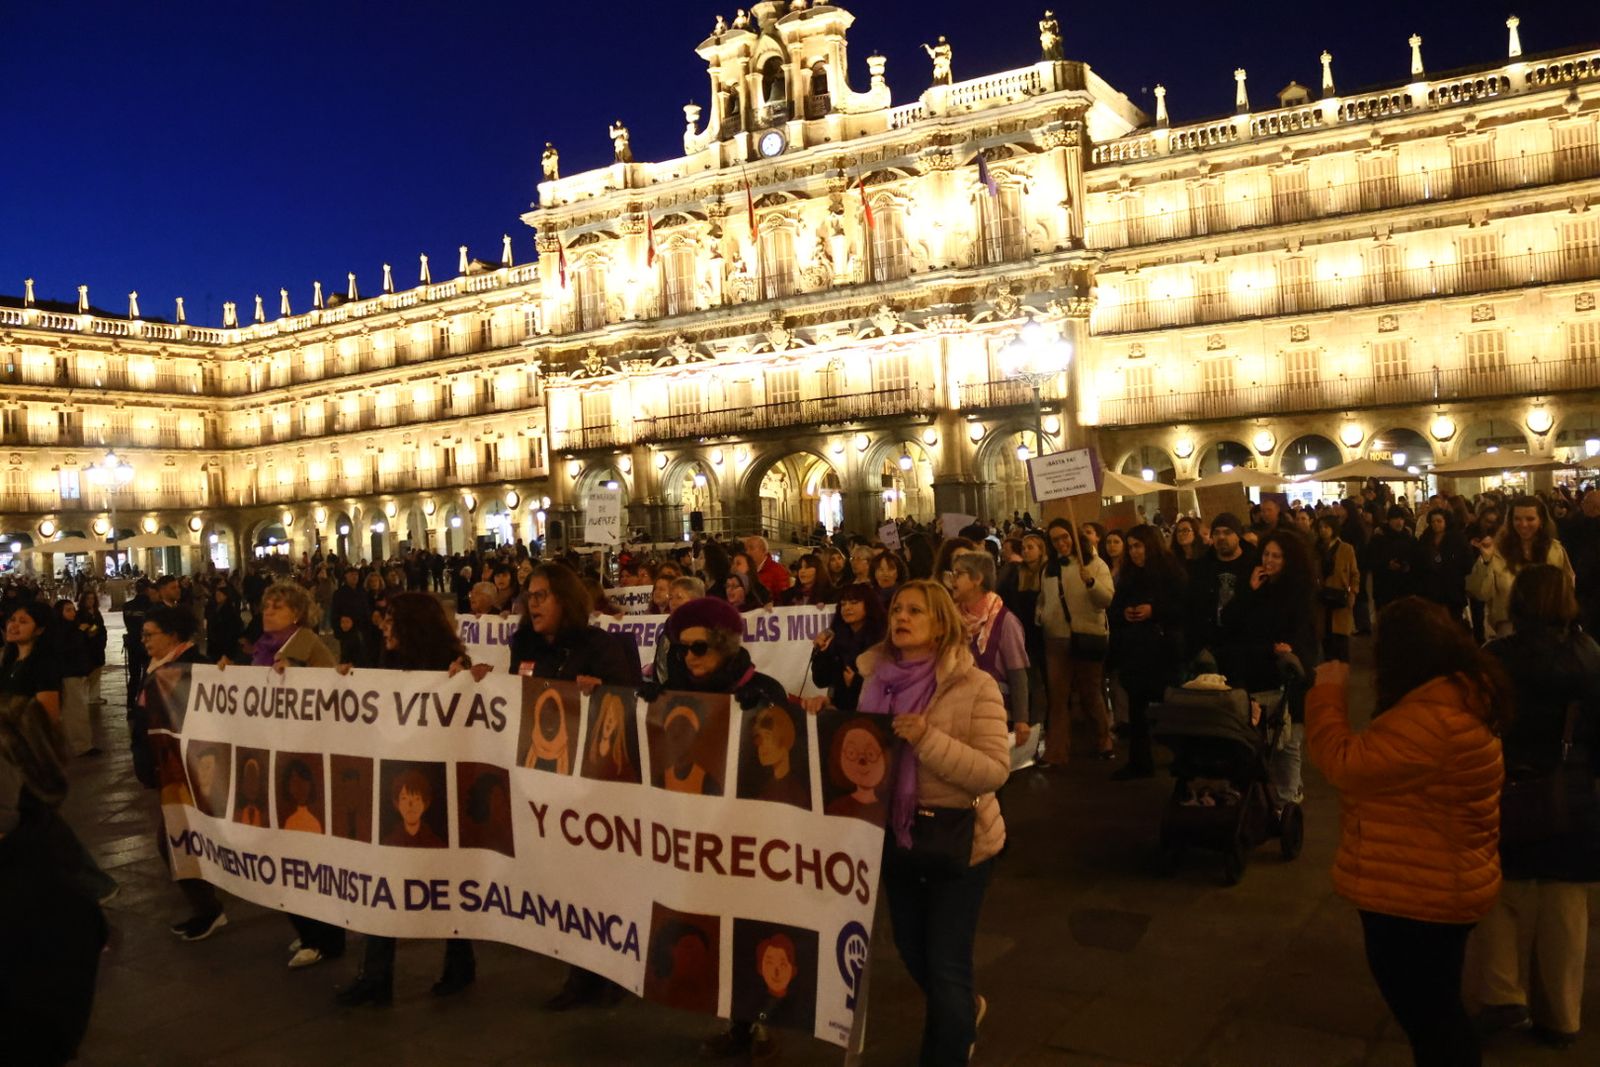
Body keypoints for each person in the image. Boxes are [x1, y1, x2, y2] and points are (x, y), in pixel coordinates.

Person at [1305, 597, 1508, 1067]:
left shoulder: (1432, 719)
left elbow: (1345, 764)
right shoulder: (1453, 698)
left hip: (1416, 895)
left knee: (1431, 1019)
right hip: (1435, 880)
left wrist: (1328, 696)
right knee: (1436, 1011)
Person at [857, 579, 1011, 1065]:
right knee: (911, 949)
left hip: (959, 844)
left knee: (945, 963)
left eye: (915, 612)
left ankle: (948, 1044)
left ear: (941, 624)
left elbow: (993, 771)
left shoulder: (973, 685)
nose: (901, 618)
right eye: (897, 609)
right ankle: (962, 1010)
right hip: (897, 840)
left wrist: (926, 740)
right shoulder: (874, 679)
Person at [647, 595, 796, 1061]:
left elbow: (784, 767)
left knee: (755, 927)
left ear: (724, 646)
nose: (689, 659)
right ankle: (738, 1022)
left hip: (751, 833)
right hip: (700, 832)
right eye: (681, 650)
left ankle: (763, 1023)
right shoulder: (675, 694)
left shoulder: (763, 688)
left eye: (698, 649)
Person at [1477, 566, 1600, 1048]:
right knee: (1565, 906)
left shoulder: (1495, 657)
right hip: (1570, 796)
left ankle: (1502, 992)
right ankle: (1562, 1016)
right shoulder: (1591, 656)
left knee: (1499, 892)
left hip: (1505, 787)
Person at [339, 593, 477, 1007]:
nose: (383, 626)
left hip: (437, 786)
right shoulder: (385, 665)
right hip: (392, 784)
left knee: (445, 877)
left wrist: (465, 677)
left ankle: (459, 960)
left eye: (391, 620)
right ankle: (377, 975)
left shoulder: (453, 667)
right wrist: (344, 680)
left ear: (413, 625)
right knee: (385, 875)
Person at [132, 606, 225, 941]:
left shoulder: (194, 666)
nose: (144, 641)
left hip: (189, 767)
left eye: (150, 634)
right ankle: (208, 905)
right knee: (180, 839)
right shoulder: (160, 665)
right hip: (167, 767)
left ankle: (209, 908)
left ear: (172, 634)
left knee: (173, 841)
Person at [1215, 531, 1321, 806]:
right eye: (1266, 554)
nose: (1269, 561)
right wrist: (1248, 591)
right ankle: (1256, 799)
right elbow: (1229, 621)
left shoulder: (1299, 591)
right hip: (1253, 672)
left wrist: (1290, 650)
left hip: (1284, 675)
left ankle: (1288, 798)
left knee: (1287, 742)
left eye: (1276, 556)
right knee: (1254, 740)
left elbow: (1303, 634)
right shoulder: (1255, 586)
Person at [1108, 525, 1186, 779]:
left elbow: (1183, 607)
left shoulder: (1170, 572)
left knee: (1170, 706)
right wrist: (1125, 613)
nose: (1133, 552)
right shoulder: (1129, 575)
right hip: (1136, 649)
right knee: (1137, 708)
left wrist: (1154, 610)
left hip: (1163, 649)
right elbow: (1115, 606)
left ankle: (1182, 757)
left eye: (1138, 546)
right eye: (1130, 547)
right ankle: (1140, 761)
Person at [1035, 520, 1115, 766]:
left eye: (1065, 537)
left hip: (1087, 634)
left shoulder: (1095, 564)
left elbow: (1106, 600)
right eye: (1056, 539)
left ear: (1074, 536)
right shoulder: (1049, 568)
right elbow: (1043, 598)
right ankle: (1056, 751)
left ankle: (1103, 738)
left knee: (1090, 692)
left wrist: (1091, 582)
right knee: (1058, 697)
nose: (1061, 543)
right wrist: (1042, 615)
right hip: (1056, 637)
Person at [948, 552, 1032, 747]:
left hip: (993, 713)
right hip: (956, 711)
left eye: (958, 574)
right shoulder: (951, 617)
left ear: (977, 579)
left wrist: (1021, 719)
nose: (952, 580)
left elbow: (1017, 673)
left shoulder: (1004, 620)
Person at [1469, 495, 1574, 638]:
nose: (1523, 524)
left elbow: (1567, 587)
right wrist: (1485, 560)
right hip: (1510, 630)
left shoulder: (1554, 551)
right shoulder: (1498, 551)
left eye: (1530, 519)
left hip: (1549, 630)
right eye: (1517, 519)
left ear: (1541, 521)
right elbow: (1481, 593)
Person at [811, 583, 887, 712]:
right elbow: (821, 681)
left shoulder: (881, 639)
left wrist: (856, 683)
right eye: (843, 604)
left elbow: (887, 686)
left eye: (853, 602)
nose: (847, 608)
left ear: (869, 605)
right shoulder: (836, 636)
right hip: (842, 711)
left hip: (874, 712)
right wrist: (821, 653)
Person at [1314, 515, 1360, 662]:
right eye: (1320, 527)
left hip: (1340, 597)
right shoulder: (1316, 549)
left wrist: (1353, 591)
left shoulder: (1346, 548)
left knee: (1340, 641)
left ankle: (1341, 675)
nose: (1323, 531)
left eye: (1326, 527)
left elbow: (1354, 573)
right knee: (1326, 638)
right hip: (1322, 598)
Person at [1414, 508, 1474, 621]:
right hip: (1432, 587)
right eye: (1433, 522)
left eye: (1439, 521)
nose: (1436, 524)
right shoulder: (1426, 538)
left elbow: (1466, 559)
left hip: (1451, 586)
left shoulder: (1456, 538)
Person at [54, 599, 95, 757]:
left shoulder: (75, 626)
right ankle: (81, 745)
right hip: (69, 673)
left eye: (73, 609)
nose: (72, 613)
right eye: (68, 610)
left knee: (77, 709)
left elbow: (94, 635)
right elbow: (66, 649)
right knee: (76, 710)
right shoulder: (60, 630)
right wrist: (79, 632)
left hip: (79, 672)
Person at [1367, 505, 1420, 611]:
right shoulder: (1378, 539)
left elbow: (1417, 560)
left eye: (1401, 519)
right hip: (1385, 589)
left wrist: (1408, 565)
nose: (1399, 522)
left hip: (1405, 588)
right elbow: (1370, 560)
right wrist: (1386, 564)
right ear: (1389, 520)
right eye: (1395, 518)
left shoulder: (1409, 539)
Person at [744, 535, 791, 600]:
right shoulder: (745, 570)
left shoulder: (778, 571)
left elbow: (784, 599)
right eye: (746, 549)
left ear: (764, 550)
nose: (747, 553)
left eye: (751, 548)